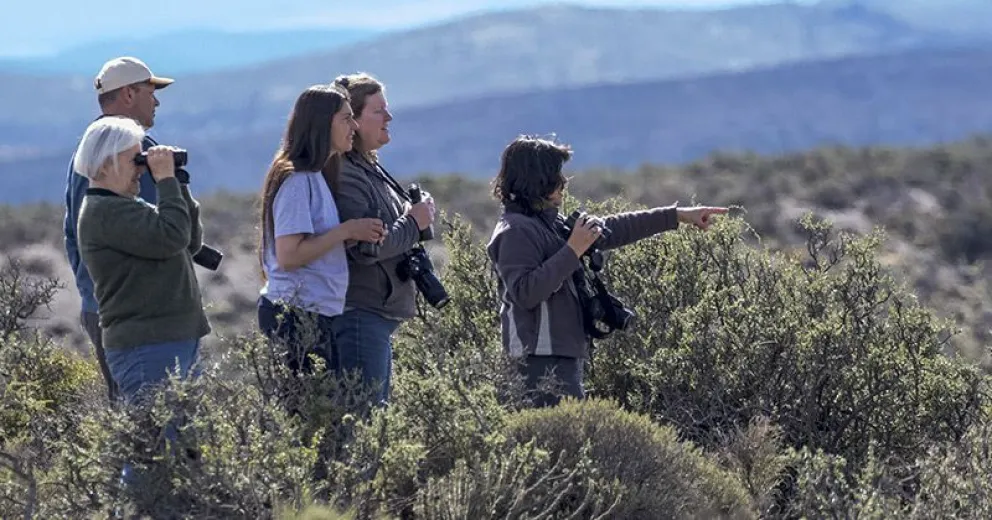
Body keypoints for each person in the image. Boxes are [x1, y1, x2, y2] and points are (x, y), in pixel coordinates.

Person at [487, 135, 729, 408]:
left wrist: (678, 216)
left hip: (562, 355)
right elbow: (526, 293)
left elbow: (616, 228)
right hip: (535, 361)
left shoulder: (549, 224)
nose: (563, 182)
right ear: (536, 180)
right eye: (556, 174)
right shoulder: (515, 230)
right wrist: (573, 250)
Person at [73, 115, 210, 403]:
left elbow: (189, 243)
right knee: (158, 442)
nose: (141, 168)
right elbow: (172, 236)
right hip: (147, 346)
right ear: (106, 162)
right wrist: (166, 181)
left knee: (185, 444)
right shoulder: (103, 212)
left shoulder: (127, 206)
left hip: (170, 339)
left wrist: (178, 184)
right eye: (135, 159)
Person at [256, 83, 386, 379]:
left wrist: (350, 235)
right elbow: (289, 256)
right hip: (295, 314)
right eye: (346, 118)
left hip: (311, 313)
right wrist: (345, 231)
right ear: (322, 124)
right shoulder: (297, 180)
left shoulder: (315, 176)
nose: (354, 126)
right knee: (311, 413)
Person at [63, 56, 173, 403]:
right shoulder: (133, 154)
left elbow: (73, 235)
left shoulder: (89, 151)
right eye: (150, 91)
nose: (156, 100)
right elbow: (163, 231)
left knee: (127, 415)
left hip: (102, 304)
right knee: (149, 416)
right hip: (135, 312)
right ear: (128, 94)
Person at [330, 72, 436, 405]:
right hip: (361, 313)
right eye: (378, 111)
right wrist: (413, 223)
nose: (389, 118)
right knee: (363, 423)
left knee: (374, 418)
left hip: (377, 314)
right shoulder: (346, 174)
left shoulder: (368, 167)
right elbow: (367, 247)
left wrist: (413, 218)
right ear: (354, 121)